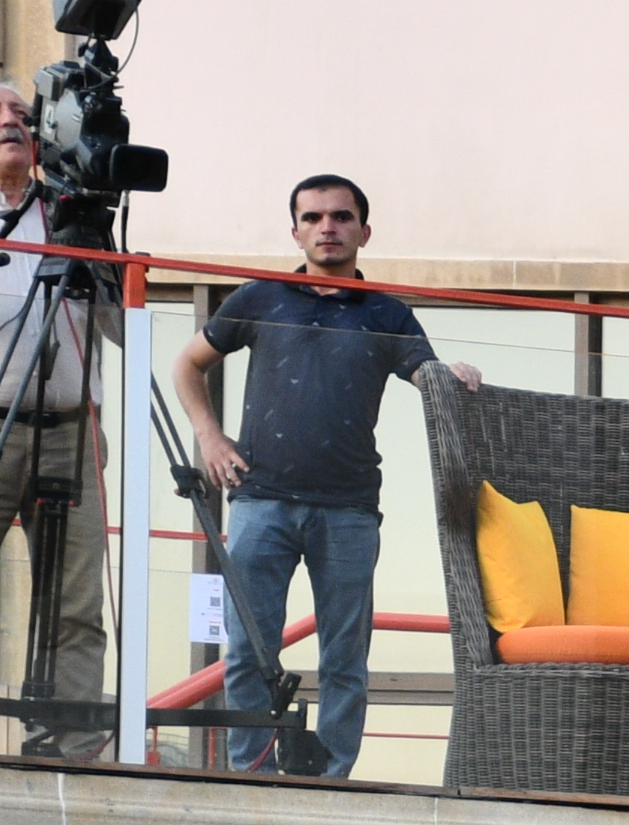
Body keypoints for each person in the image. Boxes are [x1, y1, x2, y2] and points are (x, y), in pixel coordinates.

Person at [171, 175, 472, 779]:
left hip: (349, 508)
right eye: (312, 218)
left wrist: (451, 374)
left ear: (364, 231)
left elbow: (426, 375)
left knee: (345, 658)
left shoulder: (388, 313)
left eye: (340, 217)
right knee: (248, 651)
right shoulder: (259, 297)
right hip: (260, 501)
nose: (326, 227)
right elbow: (187, 364)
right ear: (295, 231)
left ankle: (333, 779)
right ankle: (251, 777)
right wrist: (210, 437)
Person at [0, 81, 108, 758]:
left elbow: (117, 326)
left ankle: (72, 744)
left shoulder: (71, 215)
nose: (11, 121)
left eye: (21, 113)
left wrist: (98, 238)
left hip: (70, 428)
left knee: (77, 604)